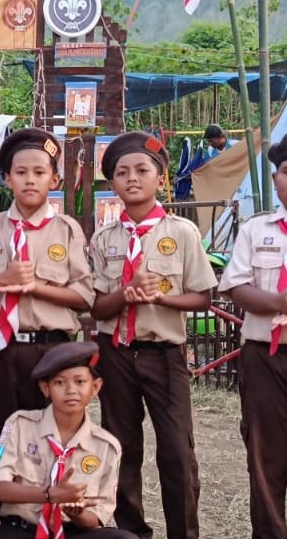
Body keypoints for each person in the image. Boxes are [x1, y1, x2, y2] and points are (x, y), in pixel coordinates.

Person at [89, 131, 217, 539]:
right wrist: (124, 294)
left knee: (177, 449)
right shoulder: (104, 239)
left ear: (160, 179)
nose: (132, 178)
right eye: (122, 172)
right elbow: (96, 308)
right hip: (115, 352)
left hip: (164, 353)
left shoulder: (182, 232)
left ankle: (183, 532)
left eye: (142, 170)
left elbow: (202, 297)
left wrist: (162, 298)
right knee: (121, 445)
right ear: (112, 184)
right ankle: (131, 531)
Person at [0, 127, 95, 459]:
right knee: (3, 434)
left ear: (54, 180)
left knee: (51, 434)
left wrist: (35, 288)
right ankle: (7, 493)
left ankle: (49, 491)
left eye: (39, 172)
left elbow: (84, 296)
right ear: (7, 179)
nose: (29, 180)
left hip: (53, 348)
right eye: (20, 173)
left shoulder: (66, 230)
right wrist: (2, 279)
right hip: (2, 347)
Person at [218, 128, 287, 539]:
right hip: (265, 361)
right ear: (275, 179)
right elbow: (236, 287)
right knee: (265, 464)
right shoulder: (256, 230)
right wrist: (278, 302)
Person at [0, 341, 139, 539]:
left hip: (73, 533)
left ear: (95, 387)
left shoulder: (106, 446)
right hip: (23, 531)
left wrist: (78, 514)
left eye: (80, 382)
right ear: (45, 388)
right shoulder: (19, 425)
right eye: (59, 382)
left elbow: (96, 518)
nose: (70, 390)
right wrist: (50, 494)